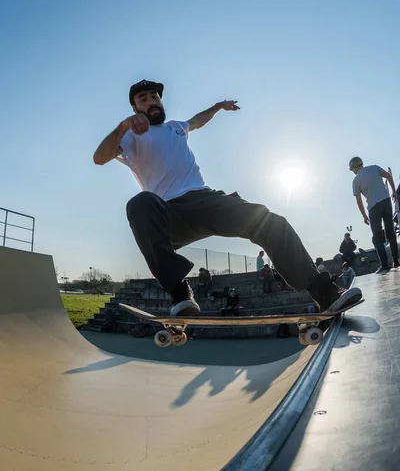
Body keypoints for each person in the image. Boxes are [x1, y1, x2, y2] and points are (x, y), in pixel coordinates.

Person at [93, 79, 362, 316]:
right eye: (144, 99)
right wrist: (123, 126)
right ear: (135, 108)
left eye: (155, 97)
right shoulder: (130, 136)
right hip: (169, 214)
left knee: (268, 220)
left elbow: (198, 120)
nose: (151, 102)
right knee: (139, 203)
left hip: (207, 200)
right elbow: (99, 157)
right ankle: (180, 292)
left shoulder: (177, 127)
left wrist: (217, 107)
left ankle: (324, 293)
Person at [349, 156, 399, 274]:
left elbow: (359, 200)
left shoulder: (356, 181)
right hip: (386, 201)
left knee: (377, 237)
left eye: (352, 170)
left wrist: (364, 216)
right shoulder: (374, 168)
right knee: (390, 232)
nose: (353, 172)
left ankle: (384, 265)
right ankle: (396, 261)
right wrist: (394, 191)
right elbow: (388, 175)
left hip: (373, 207)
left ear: (355, 167)